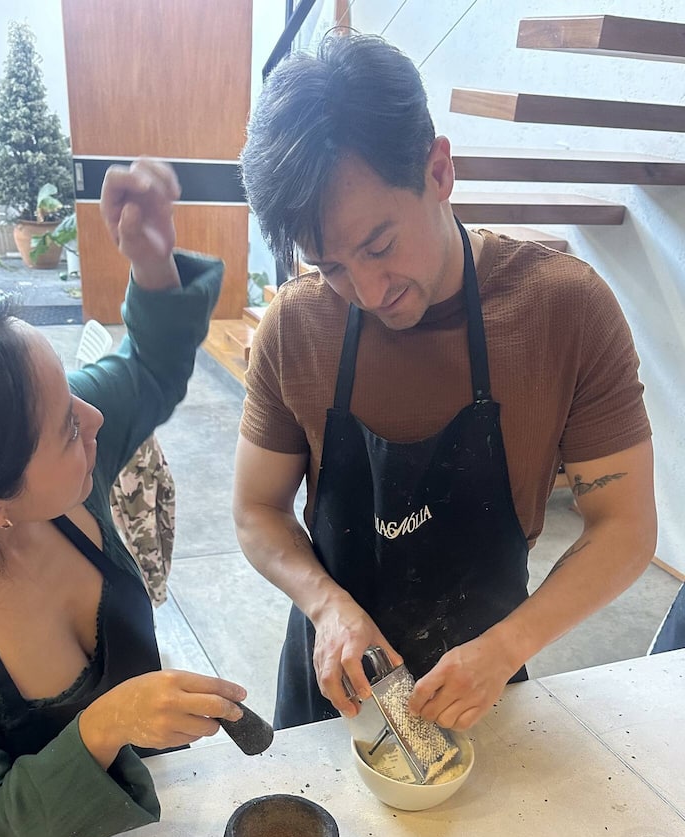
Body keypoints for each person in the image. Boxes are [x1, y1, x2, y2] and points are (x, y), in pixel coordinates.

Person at [234, 33, 657, 732]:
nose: (368, 291)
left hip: (483, 687)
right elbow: (257, 509)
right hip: (333, 691)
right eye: (331, 267)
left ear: (438, 171)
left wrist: (508, 647)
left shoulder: (564, 312)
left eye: (379, 245)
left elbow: (626, 527)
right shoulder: (297, 327)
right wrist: (326, 606)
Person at [0, 159, 247, 837]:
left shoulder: (64, 465)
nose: (93, 417)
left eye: (72, 393)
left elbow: (147, 368)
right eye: (67, 427)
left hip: (175, 816)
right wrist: (106, 724)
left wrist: (150, 264)